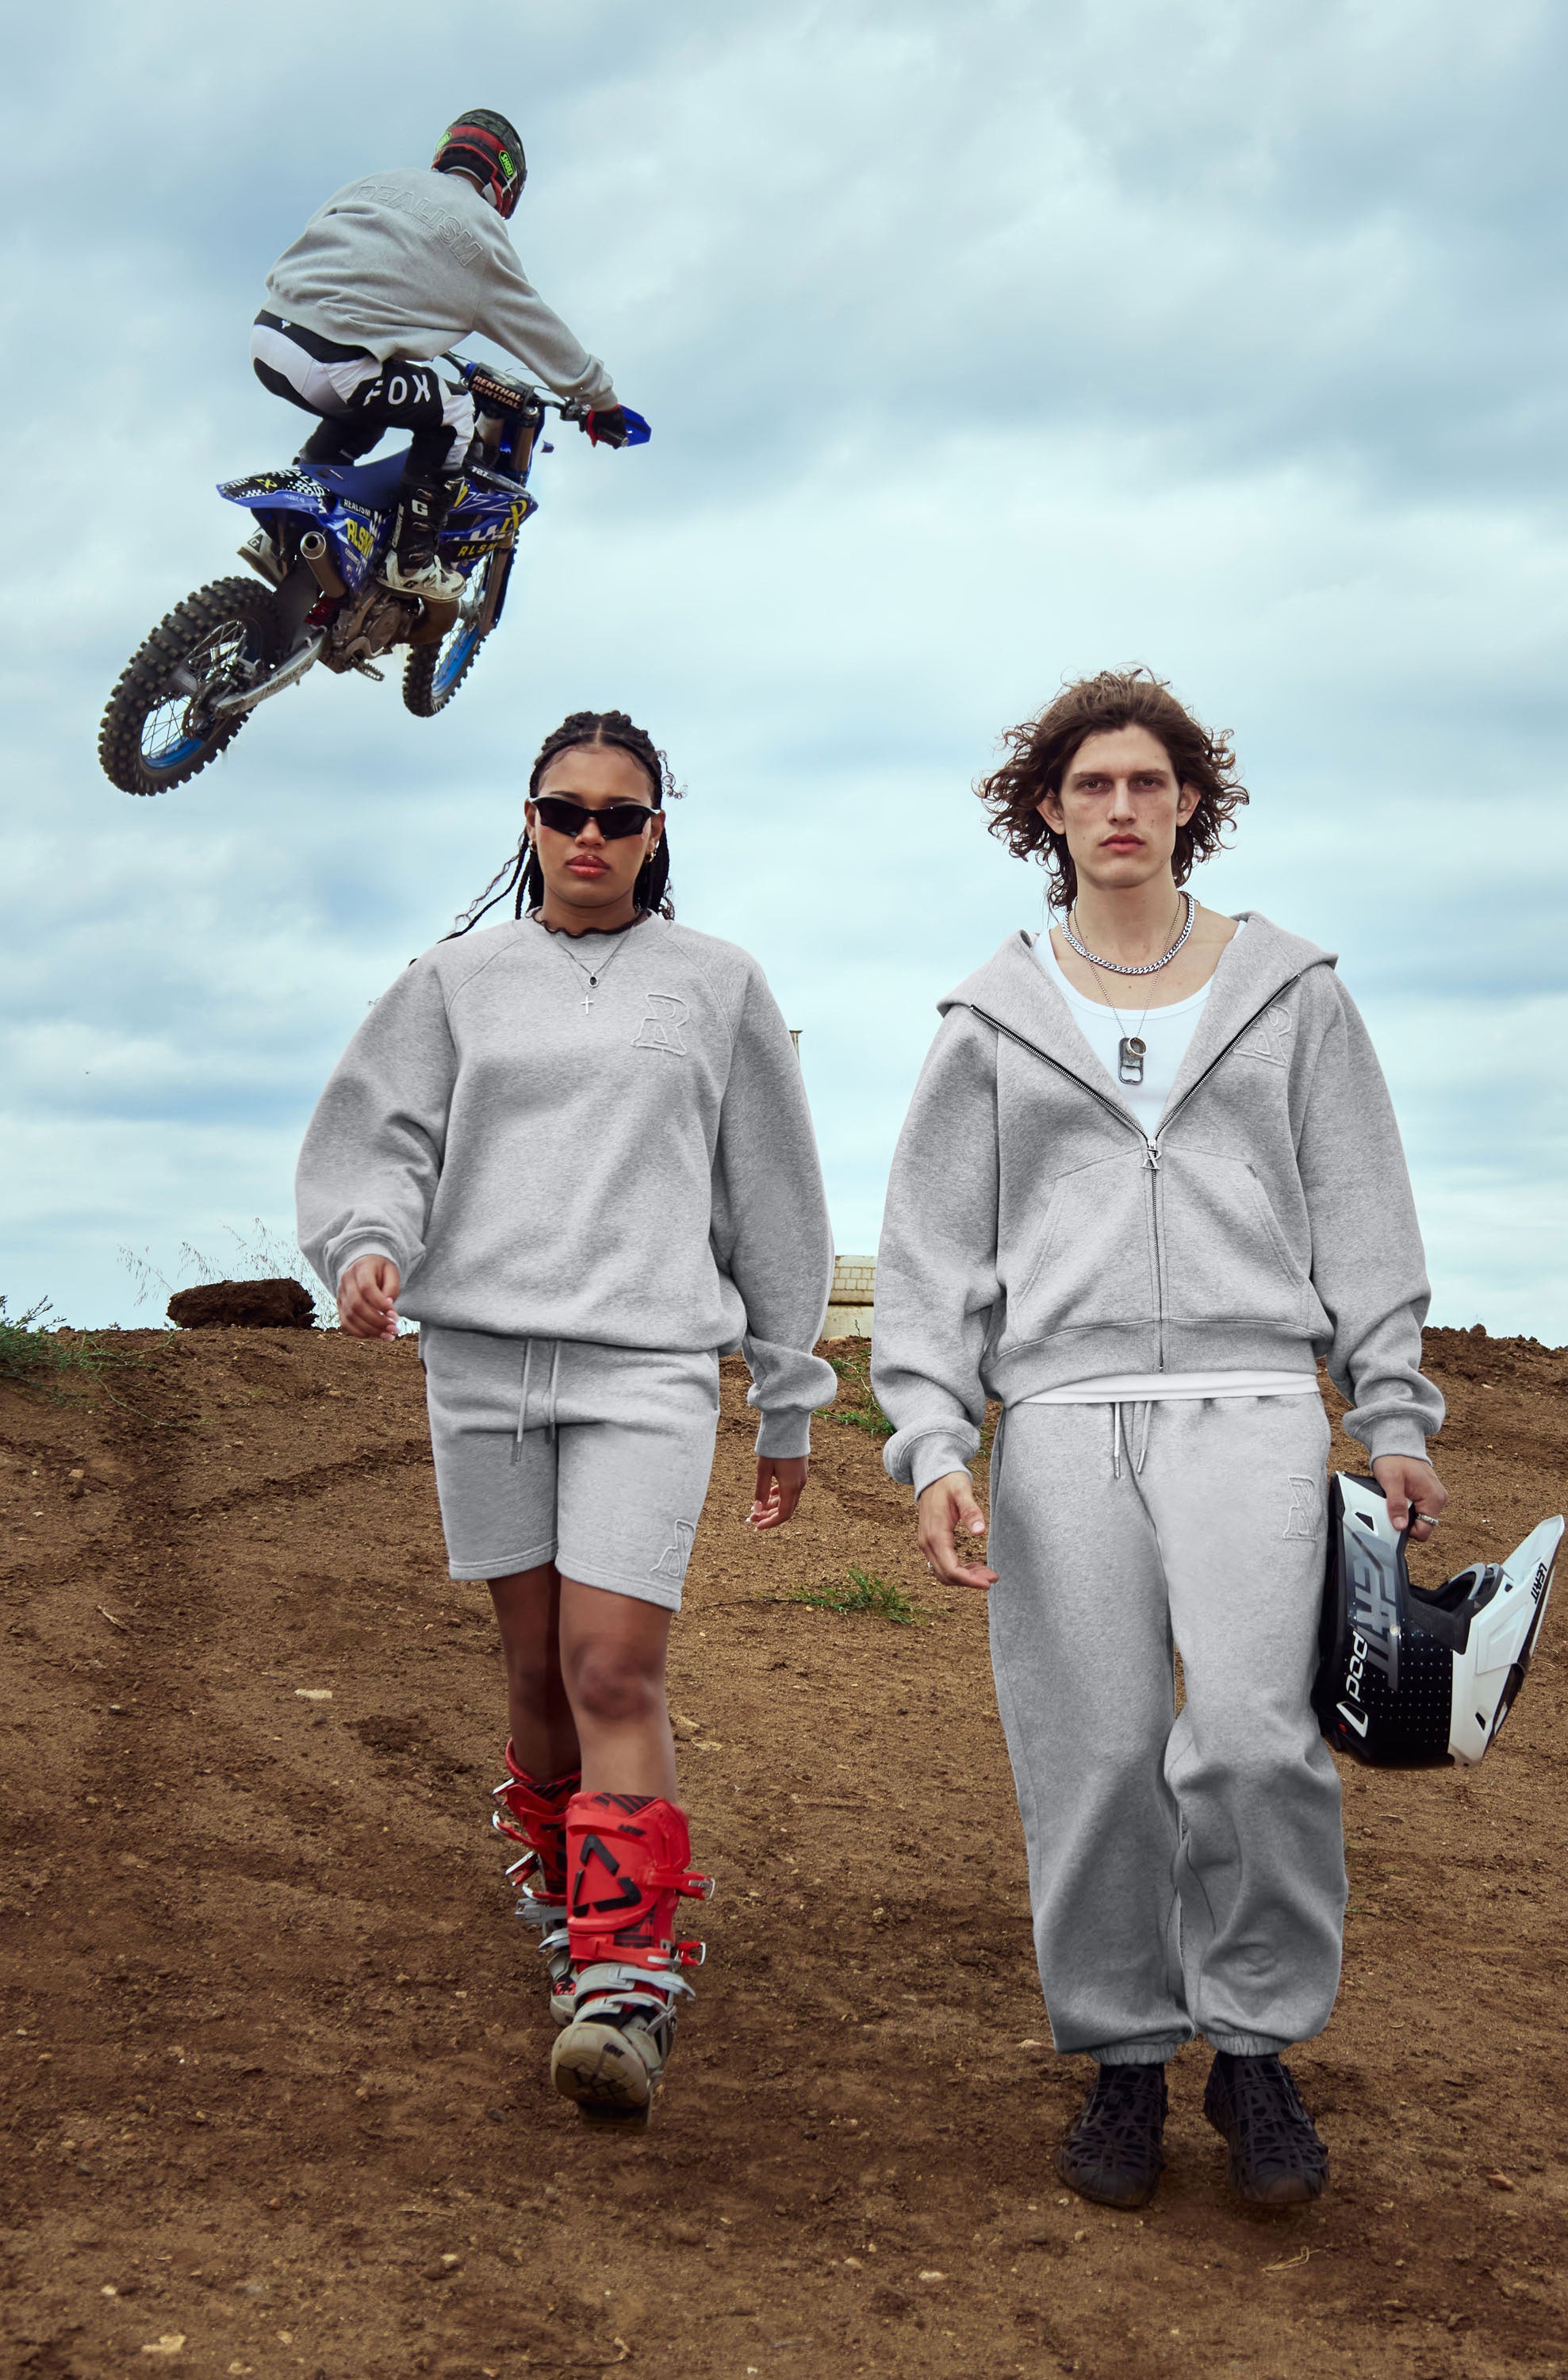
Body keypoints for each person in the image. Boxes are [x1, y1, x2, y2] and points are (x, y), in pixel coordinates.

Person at [870, 669, 1448, 2210]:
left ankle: (1255, 2049)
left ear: (1192, 801)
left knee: (1256, 1741)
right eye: (1091, 786)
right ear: (1046, 813)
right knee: (1098, 1756)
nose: (1120, 808)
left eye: (1146, 782)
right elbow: (933, 1255)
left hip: (1255, 1403)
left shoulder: (1293, 993)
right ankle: (1127, 2056)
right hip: (1062, 1422)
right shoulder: (991, 1020)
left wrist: (1390, 1407)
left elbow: (1364, 1212)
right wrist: (935, 1443)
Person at [295, 708, 834, 2123]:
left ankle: (625, 1983)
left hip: (647, 1367)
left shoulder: (717, 985)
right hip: (481, 1362)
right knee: (535, 1675)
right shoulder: (452, 981)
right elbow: (381, 1138)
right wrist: (366, 1246)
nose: (591, 836)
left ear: (658, 835)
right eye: (565, 811)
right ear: (528, 823)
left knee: (611, 1670)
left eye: (621, 815)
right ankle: (567, 1903)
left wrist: (788, 1394)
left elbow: (774, 1198)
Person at [254, 110, 639, 601]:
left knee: (381, 391)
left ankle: (281, 533)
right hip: (333, 362)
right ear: (506, 184)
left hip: (270, 336)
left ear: (445, 150)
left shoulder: (380, 183)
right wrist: (601, 401)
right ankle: (412, 560)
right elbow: (539, 330)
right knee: (455, 410)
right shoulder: (481, 234)